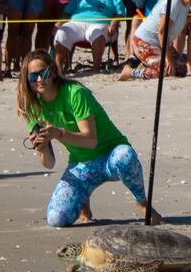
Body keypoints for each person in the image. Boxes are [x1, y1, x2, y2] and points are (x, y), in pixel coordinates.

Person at [17, 51, 158, 227]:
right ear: (26, 80)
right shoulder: (32, 107)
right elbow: (49, 163)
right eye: (33, 76)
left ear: (52, 72)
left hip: (110, 155)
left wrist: (59, 133)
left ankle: (142, 201)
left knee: (125, 156)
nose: (39, 80)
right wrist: (41, 148)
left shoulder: (75, 93)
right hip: (82, 165)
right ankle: (84, 199)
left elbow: (90, 140)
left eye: (43, 73)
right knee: (56, 219)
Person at [122, 0, 191, 80]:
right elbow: (162, 32)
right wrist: (168, 59)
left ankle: (150, 64)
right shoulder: (174, 1)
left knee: (182, 70)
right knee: (166, 71)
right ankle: (131, 72)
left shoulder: (185, 4)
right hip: (144, 41)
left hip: (161, 43)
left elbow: (182, 19)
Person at [54, 0, 125, 73]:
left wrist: (114, 24)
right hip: (76, 23)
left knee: (97, 32)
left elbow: (121, 13)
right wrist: (58, 24)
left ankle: (95, 69)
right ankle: (59, 69)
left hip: (100, 24)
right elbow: (66, 11)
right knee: (61, 33)